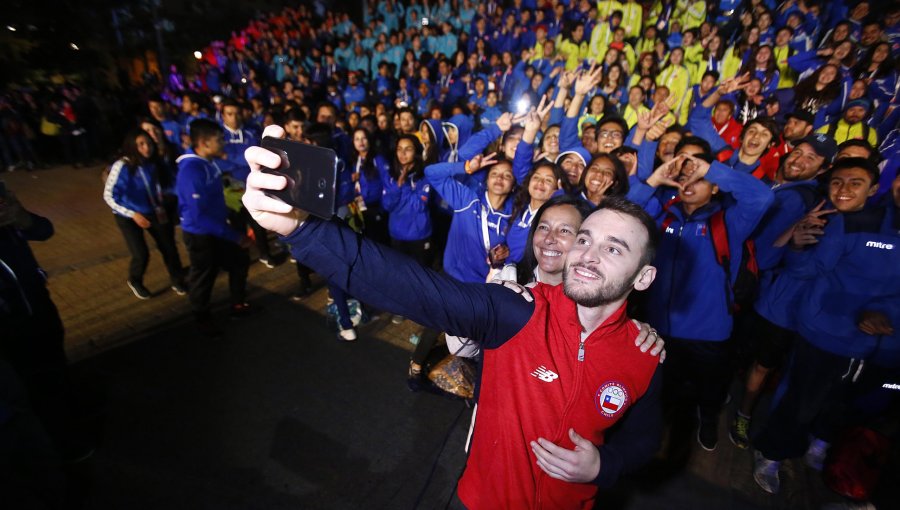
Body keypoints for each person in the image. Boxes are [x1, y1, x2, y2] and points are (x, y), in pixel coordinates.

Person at [243, 125, 664, 508]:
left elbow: (643, 440)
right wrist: (303, 229)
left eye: (613, 249)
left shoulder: (645, 355)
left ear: (643, 277)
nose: (587, 255)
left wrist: (603, 466)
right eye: (586, 239)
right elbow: (408, 287)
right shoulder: (517, 310)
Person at [752, 158, 899, 494]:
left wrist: (885, 313)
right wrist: (798, 245)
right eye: (837, 181)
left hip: (879, 344)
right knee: (800, 400)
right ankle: (772, 454)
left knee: (844, 401)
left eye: (855, 183)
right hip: (825, 332)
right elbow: (806, 269)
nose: (843, 189)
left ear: (873, 188)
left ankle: (820, 442)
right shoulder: (851, 224)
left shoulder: (879, 226)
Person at [175, 119, 254, 337]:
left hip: (218, 229)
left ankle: (238, 305)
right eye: (219, 139)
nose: (223, 142)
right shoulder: (191, 171)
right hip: (200, 235)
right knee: (204, 277)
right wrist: (234, 235)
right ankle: (202, 318)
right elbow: (200, 215)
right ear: (203, 143)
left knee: (239, 261)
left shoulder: (207, 162)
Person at [103, 129, 186, 299]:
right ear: (132, 146)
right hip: (127, 215)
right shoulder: (122, 165)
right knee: (141, 253)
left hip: (154, 211)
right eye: (141, 144)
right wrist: (132, 214)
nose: (146, 148)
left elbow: (169, 185)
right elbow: (109, 195)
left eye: (148, 143)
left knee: (169, 247)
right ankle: (135, 280)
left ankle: (177, 280)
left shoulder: (155, 163)